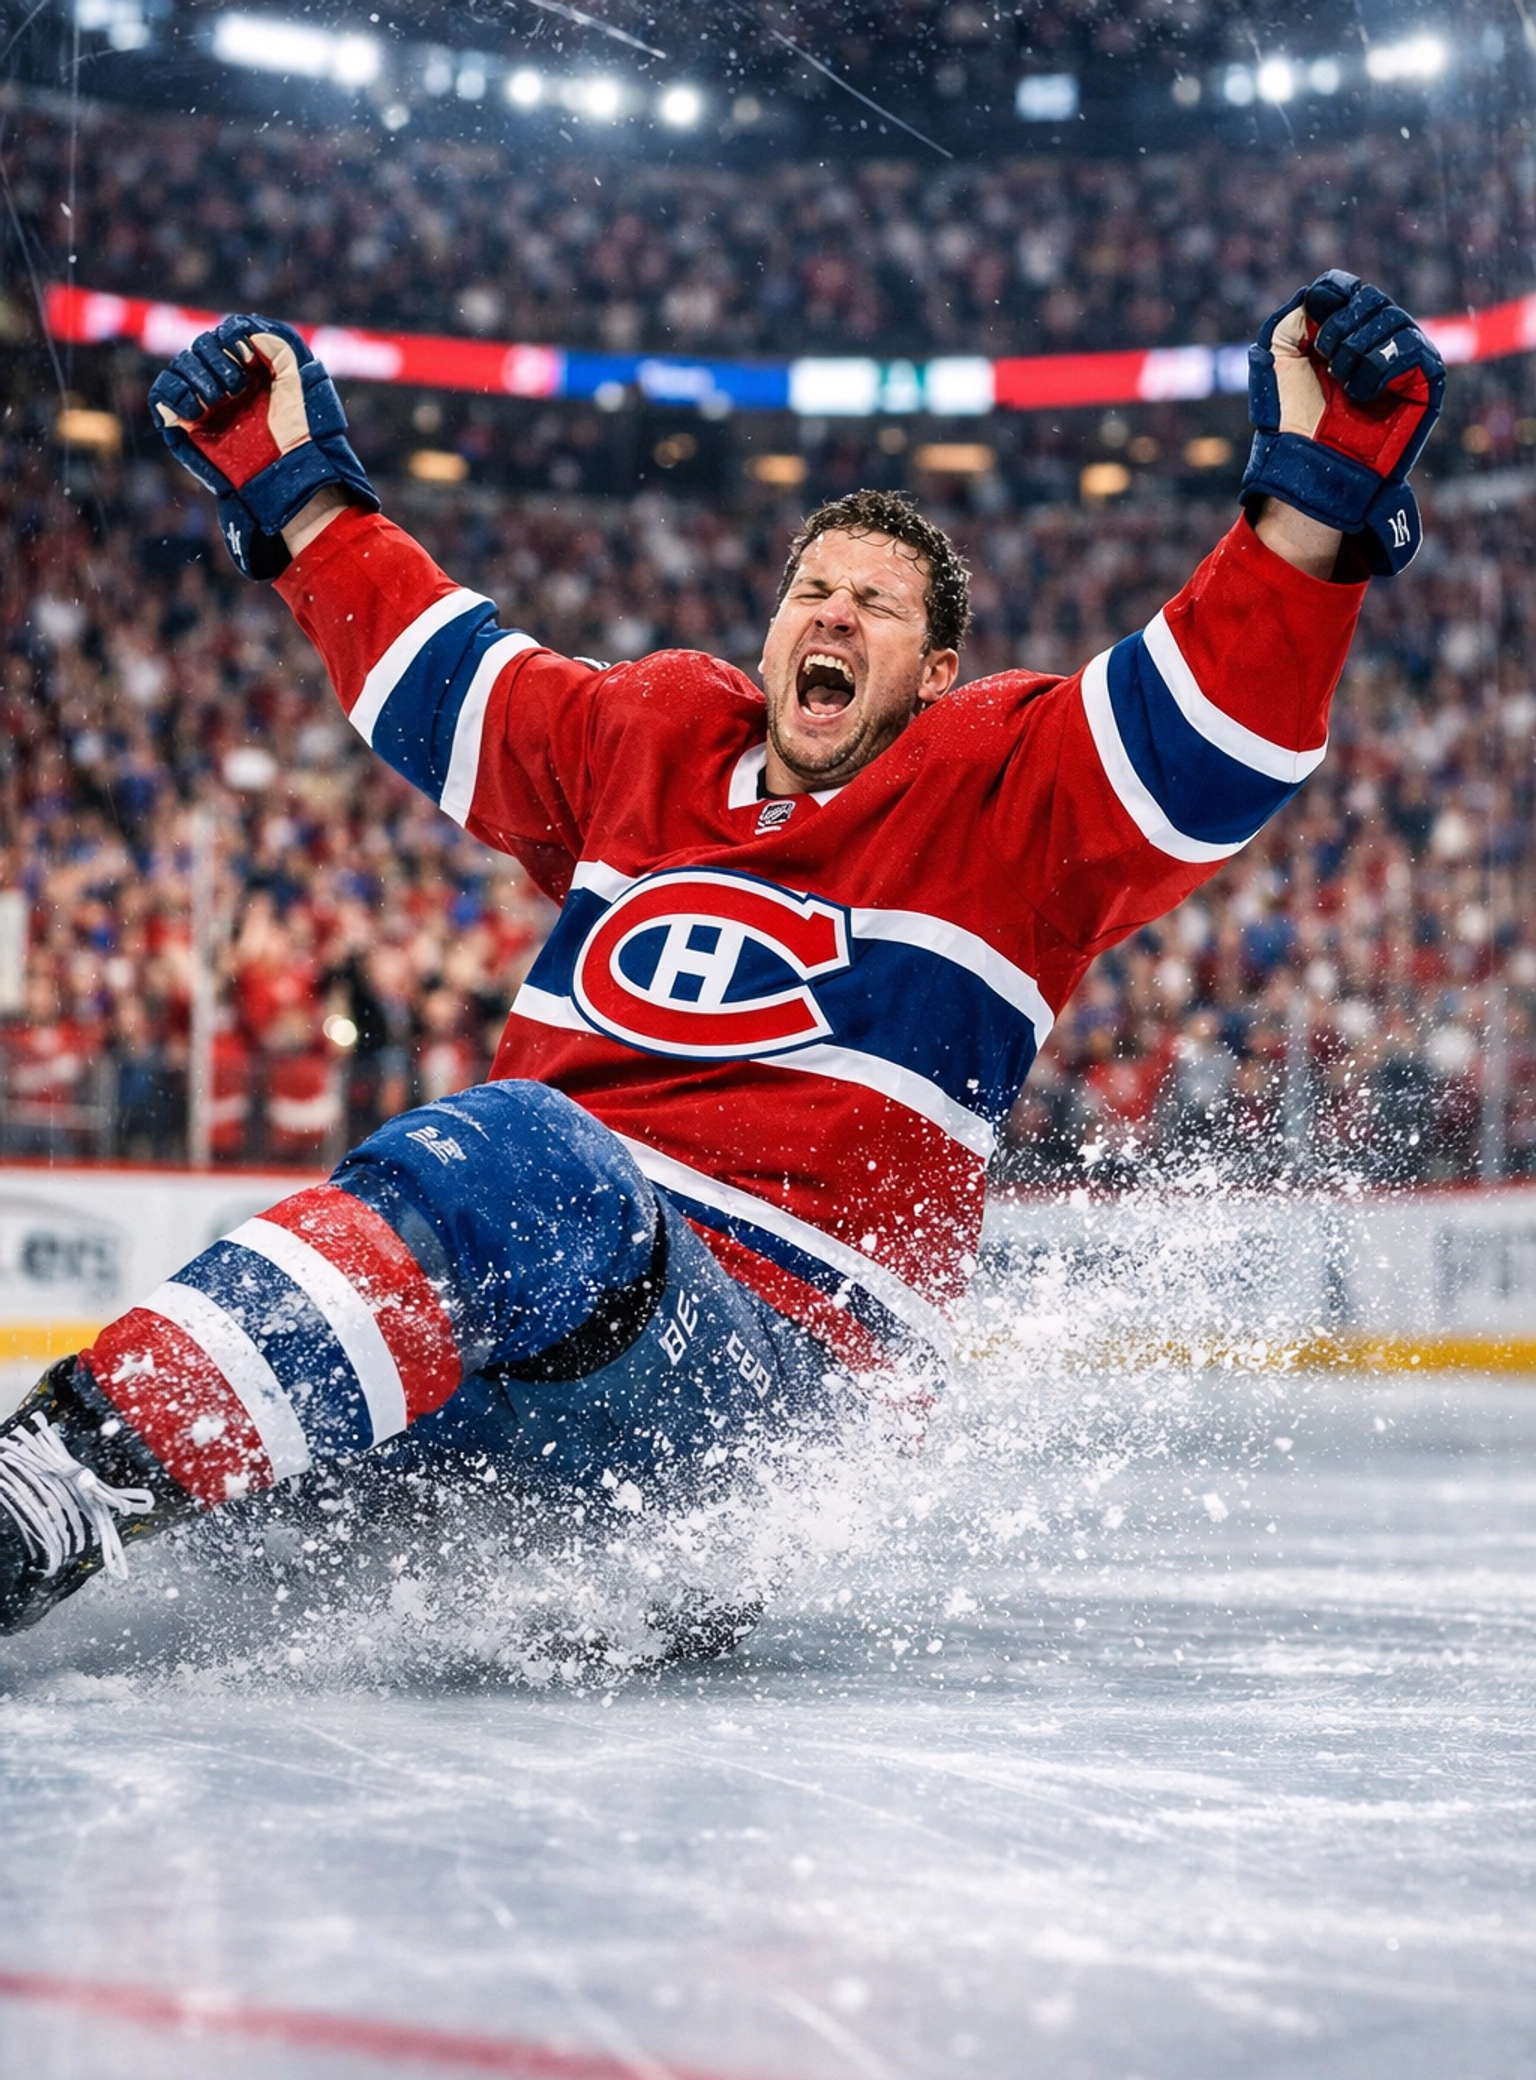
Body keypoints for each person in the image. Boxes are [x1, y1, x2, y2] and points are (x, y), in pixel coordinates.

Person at [0, 272, 1444, 1641]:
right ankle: (110, 1533)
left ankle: (39, 1488)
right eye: (810, 590)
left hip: (764, 1374)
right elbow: (447, 683)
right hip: (536, 1319)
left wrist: (1309, 514)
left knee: (521, 1160)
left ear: (935, 673)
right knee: (307, 1343)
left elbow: (1206, 740)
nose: (832, 613)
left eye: (876, 606)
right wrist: (300, 494)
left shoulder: (999, 795)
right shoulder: (650, 739)